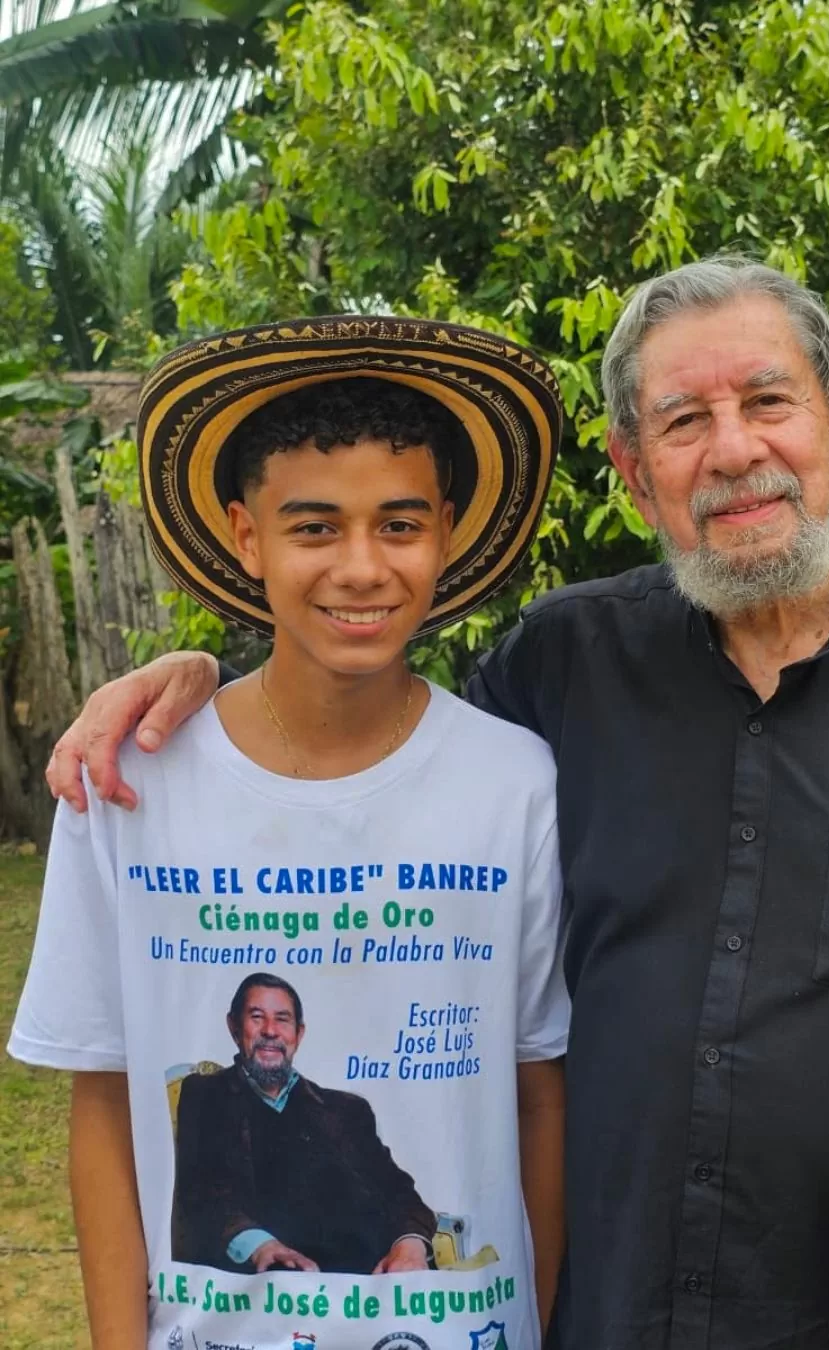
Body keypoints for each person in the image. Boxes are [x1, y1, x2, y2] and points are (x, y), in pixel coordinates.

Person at [45, 259, 829, 1350]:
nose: (732, 451)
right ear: (636, 473)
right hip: (608, 1313)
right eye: (683, 422)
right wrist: (196, 685)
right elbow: (364, 735)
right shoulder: (564, 667)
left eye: (767, 402)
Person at [11, 317, 571, 1350]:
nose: (361, 568)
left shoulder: (515, 785)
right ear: (244, 535)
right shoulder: (127, 785)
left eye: (399, 525)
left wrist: (436, 1260)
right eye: (314, 527)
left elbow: (538, 1094)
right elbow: (103, 1109)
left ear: (445, 530)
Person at [173, 972, 437, 1275]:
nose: (270, 1031)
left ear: (298, 1034)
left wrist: (409, 1245)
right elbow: (202, 1193)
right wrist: (260, 1247)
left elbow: (396, 1190)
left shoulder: (348, 1111)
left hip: (369, 1282)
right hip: (271, 1285)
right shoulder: (204, 1096)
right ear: (234, 1027)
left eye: (282, 1020)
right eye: (257, 1017)